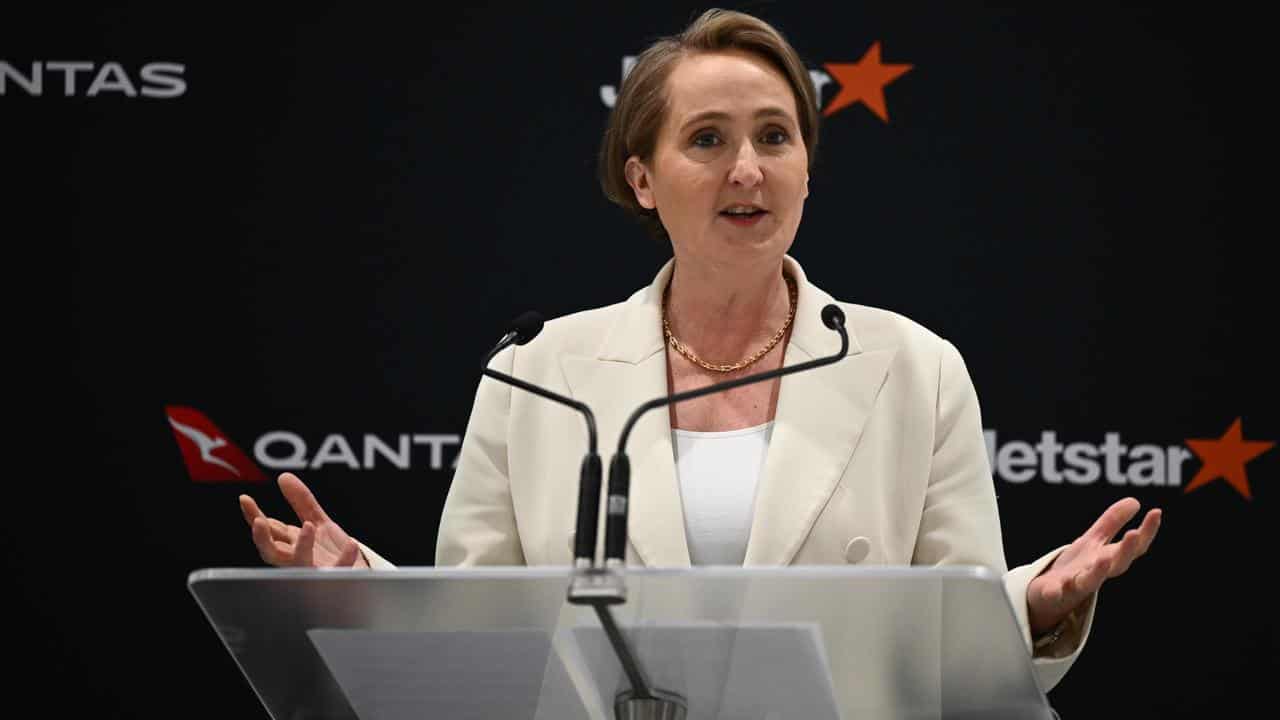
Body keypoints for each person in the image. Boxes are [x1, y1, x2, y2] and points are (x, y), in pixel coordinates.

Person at [238, 8, 1160, 693]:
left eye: (775, 136)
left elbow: (950, 644)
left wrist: (1036, 604)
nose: (747, 169)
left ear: (807, 165)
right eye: (707, 139)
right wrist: (361, 585)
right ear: (642, 178)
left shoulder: (913, 367)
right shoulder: (540, 374)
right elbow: (482, 638)